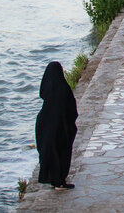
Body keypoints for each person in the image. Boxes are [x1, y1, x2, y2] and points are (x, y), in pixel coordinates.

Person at [35, 62, 78, 191]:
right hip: (62, 127)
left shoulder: (48, 92)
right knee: (61, 152)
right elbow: (71, 110)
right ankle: (60, 181)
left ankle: (54, 180)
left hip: (44, 125)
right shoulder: (63, 89)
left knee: (50, 152)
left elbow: (42, 94)